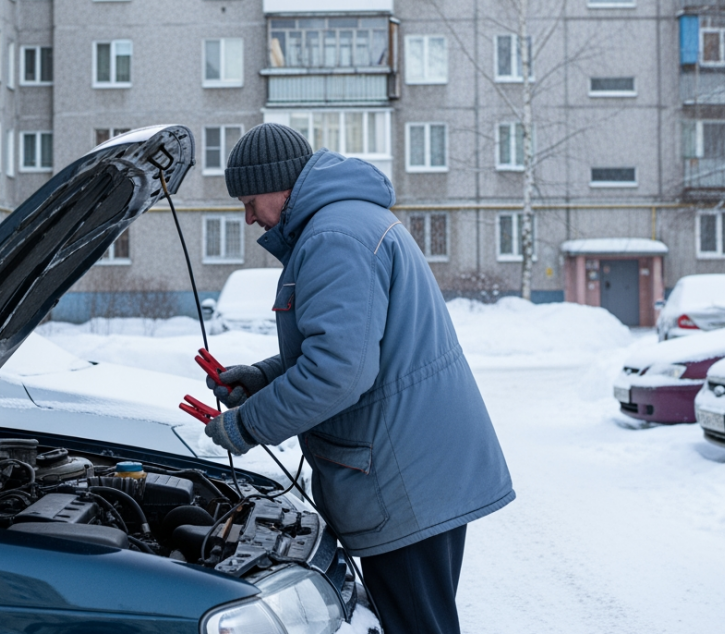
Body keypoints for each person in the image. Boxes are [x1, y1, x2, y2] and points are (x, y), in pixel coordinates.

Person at [202, 123, 514, 634]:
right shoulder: (347, 222)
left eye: (251, 200)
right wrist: (262, 378)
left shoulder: (333, 238)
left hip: (405, 478)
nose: (249, 217)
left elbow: (338, 374)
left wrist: (246, 426)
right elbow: (353, 347)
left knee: (416, 624)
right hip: (419, 467)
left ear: (281, 185)